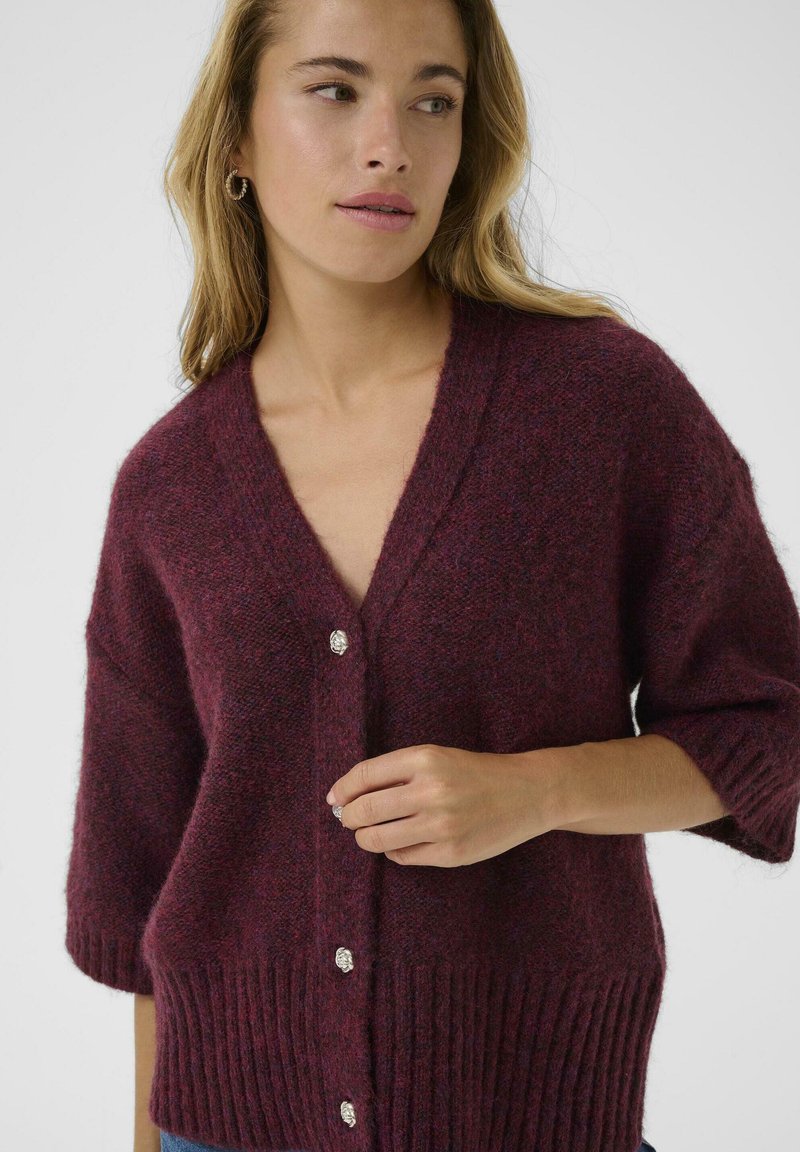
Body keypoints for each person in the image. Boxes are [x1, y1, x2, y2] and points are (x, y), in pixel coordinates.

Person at [64, 2, 800, 1152]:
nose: (389, 145)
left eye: (432, 100)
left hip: (534, 1118)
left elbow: (767, 724)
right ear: (236, 138)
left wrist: (536, 792)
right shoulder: (169, 487)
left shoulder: (600, 405)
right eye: (334, 89)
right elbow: (140, 886)